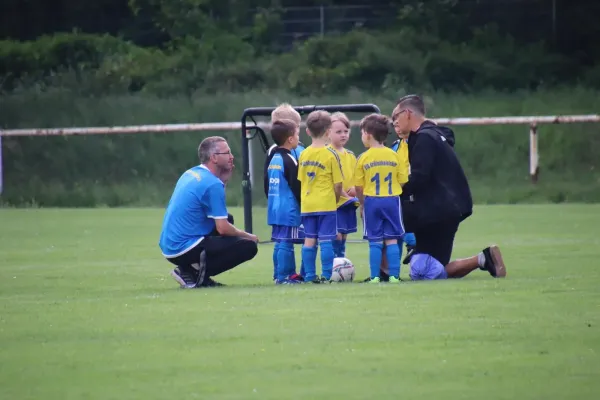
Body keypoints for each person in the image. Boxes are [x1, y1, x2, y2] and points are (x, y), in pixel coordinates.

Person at [392, 95, 507, 280]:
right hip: (448, 207)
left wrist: (394, 193)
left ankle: (482, 259)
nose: (394, 122)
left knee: (423, 271)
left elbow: (420, 178)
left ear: (407, 114)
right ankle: (484, 260)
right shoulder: (434, 134)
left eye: (395, 116)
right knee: (431, 266)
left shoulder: (424, 138)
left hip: (439, 211)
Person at [158, 136, 259, 289]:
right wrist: (248, 236)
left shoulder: (191, 173)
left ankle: (194, 271)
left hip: (169, 245)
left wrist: (223, 181)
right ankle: (194, 273)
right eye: (227, 153)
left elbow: (218, 213)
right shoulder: (212, 184)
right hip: (183, 248)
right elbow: (223, 228)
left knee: (228, 219)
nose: (232, 157)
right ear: (214, 158)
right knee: (248, 246)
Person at [354, 113, 409, 284]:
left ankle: (375, 276)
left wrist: (362, 204)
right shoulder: (394, 156)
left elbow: (358, 186)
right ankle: (394, 276)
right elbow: (403, 180)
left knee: (375, 240)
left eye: (362, 133)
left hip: (372, 201)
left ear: (368, 135)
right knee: (392, 238)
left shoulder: (363, 158)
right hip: (392, 200)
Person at [298, 110, 343, 283]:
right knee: (326, 240)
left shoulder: (303, 154)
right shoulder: (331, 155)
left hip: (308, 204)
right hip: (326, 204)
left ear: (307, 131)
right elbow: (338, 184)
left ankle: (309, 276)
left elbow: (302, 180)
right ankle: (326, 275)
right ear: (328, 132)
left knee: (309, 239)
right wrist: (336, 199)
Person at [263, 103, 306, 281]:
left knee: (280, 241)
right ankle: (288, 275)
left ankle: (280, 275)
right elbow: (297, 181)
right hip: (290, 206)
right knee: (290, 241)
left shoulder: (274, 152)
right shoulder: (288, 154)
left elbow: (267, 180)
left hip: (276, 205)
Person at [327, 112, 359, 258]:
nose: (343, 135)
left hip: (349, 203)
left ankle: (341, 261)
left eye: (346, 131)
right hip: (334, 203)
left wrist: (355, 189)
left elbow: (356, 177)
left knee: (344, 235)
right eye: (338, 131)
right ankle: (335, 263)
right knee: (336, 235)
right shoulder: (326, 153)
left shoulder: (351, 155)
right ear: (328, 133)